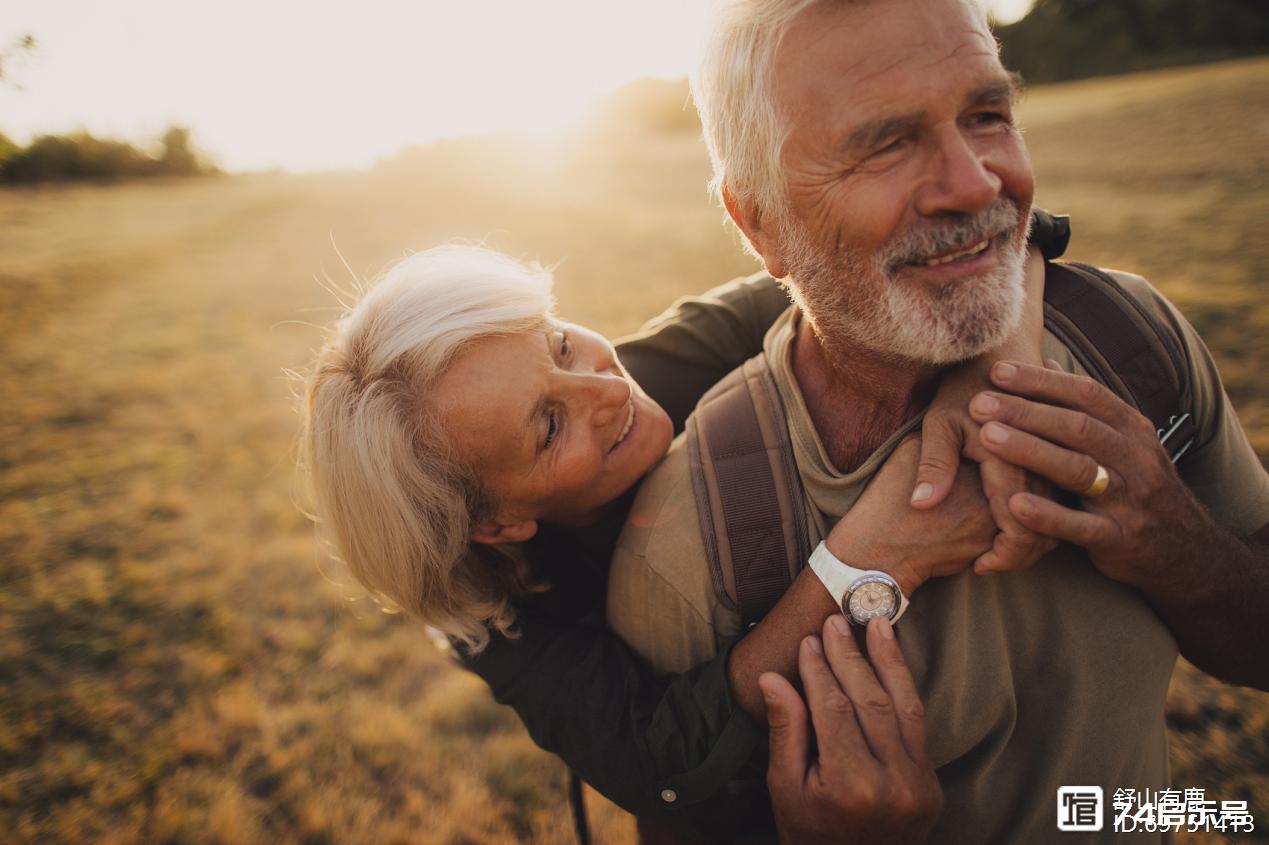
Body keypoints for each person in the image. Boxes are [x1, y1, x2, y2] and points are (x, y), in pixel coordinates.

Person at [606, 0, 1269, 841]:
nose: (976, 184)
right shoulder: (690, 547)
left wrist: (1182, 546)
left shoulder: (1129, 341)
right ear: (758, 221)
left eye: (986, 116)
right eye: (884, 142)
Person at [300, 224, 1061, 832]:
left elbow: (983, 234)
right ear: (497, 524)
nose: (602, 385)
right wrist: (867, 558)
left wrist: (992, 376)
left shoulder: (655, 361)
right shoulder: (495, 618)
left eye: (559, 343)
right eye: (548, 426)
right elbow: (653, 755)